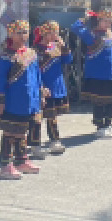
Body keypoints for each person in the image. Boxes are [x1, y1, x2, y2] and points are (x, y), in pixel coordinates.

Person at [0, 20, 43, 180]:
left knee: (22, 131)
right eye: (18, 33)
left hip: (28, 100)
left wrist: (40, 94)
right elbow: (0, 79)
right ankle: (5, 166)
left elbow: (37, 76)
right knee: (10, 131)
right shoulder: (6, 56)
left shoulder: (31, 53)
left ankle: (21, 160)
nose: (22, 36)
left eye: (25, 32)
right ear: (11, 35)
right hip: (12, 100)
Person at [70, 9, 112, 138]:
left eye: (109, 21)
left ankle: (108, 125)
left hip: (111, 73)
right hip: (96, 74)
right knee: (99, 101)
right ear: (98, 21)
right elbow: (75, 27)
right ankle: (100, 127)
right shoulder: (91, 34)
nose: (107, 24)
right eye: (105, 21)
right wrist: (87, 18)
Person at [33, 21, 72, 155]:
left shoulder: (57, 47)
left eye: (56, 32)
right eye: (52, 33)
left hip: (55, 87)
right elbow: (33, 71)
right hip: (42, 87)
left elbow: (68, 60)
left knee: (52, 116)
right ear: (44, 34)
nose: (55, 35)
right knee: (37, 117)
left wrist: (64, 47)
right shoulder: (35, 50)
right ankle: (35, 144)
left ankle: (54, 141)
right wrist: (40, 87)